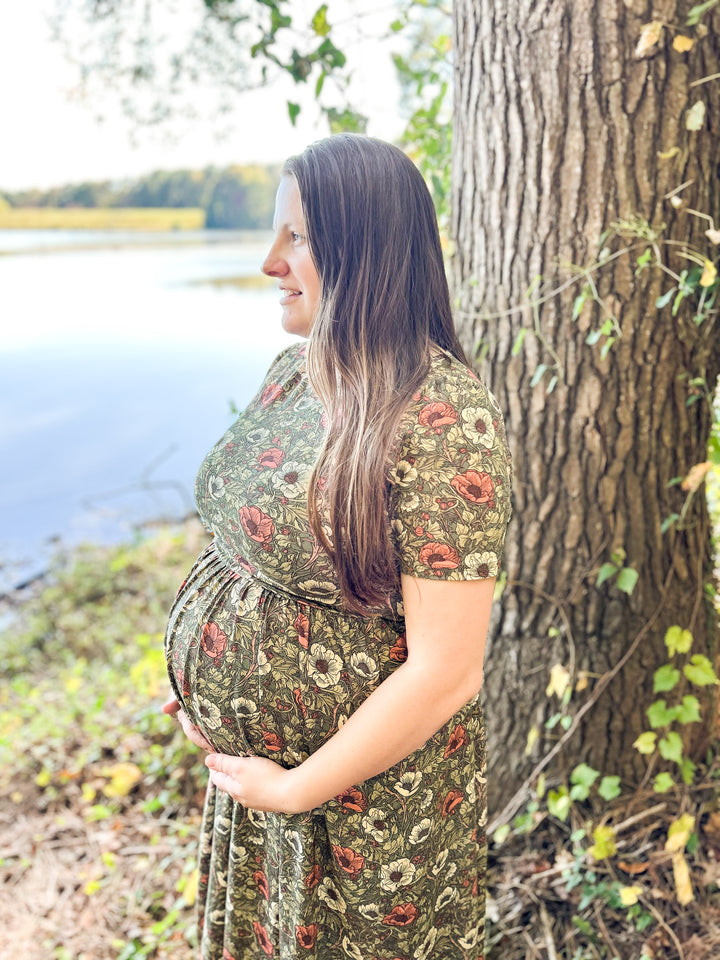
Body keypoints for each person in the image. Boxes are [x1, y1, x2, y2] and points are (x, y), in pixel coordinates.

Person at [163, 133, 512, 960]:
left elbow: (449, 671)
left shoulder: (443, 415)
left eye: (300, 238)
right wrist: (196, 667)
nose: (269, 262)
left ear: (369, 249)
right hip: (265, 791)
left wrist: (293, 789)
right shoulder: (296, 371)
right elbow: (241, 544)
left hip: (363, 813)